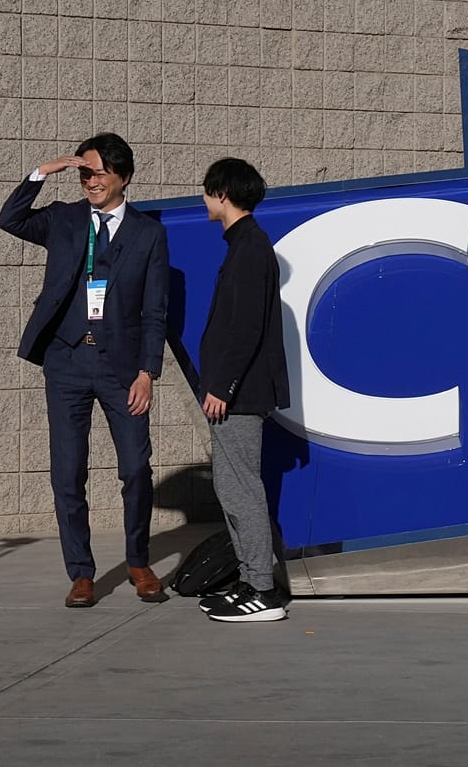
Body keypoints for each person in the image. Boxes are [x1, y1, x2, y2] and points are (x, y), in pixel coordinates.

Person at [0, 133, 170, 608]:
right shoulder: (63, 219)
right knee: (68, 473)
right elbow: (9, 219)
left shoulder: (148, 233)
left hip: (123, 368)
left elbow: (156, 310)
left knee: (136, 468)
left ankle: (138, 560)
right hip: (67, 361)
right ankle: (81, 572)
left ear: (124, 177)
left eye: (98, 172)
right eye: (83, 172)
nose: (89, 180)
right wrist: (41, 173)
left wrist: (147, 373)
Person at [192, 158, 291, 623]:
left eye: (208, 191)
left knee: (242, 490)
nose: (205, 199)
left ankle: (263, 591)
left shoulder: (250, 247)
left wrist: (222, 386)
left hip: (239, 395)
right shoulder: (243, 245)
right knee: (231, 487)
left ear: (223, 194)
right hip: (235, 393)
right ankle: (249, 580)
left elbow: (245, 328)